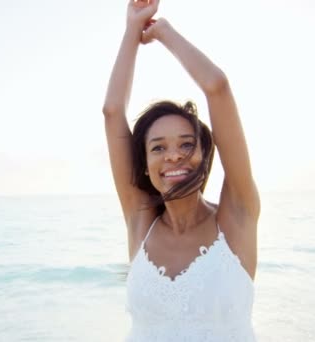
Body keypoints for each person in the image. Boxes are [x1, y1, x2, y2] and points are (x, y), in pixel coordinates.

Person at [102, 0, 260, 340]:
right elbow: (112, 111)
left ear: (205, 153)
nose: (173, 156)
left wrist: (162, 31)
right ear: (144, 164)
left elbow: (217, 85)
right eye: (158, 147)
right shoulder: (140, 220)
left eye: (187, 144)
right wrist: (132, 28)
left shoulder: (236, 218)